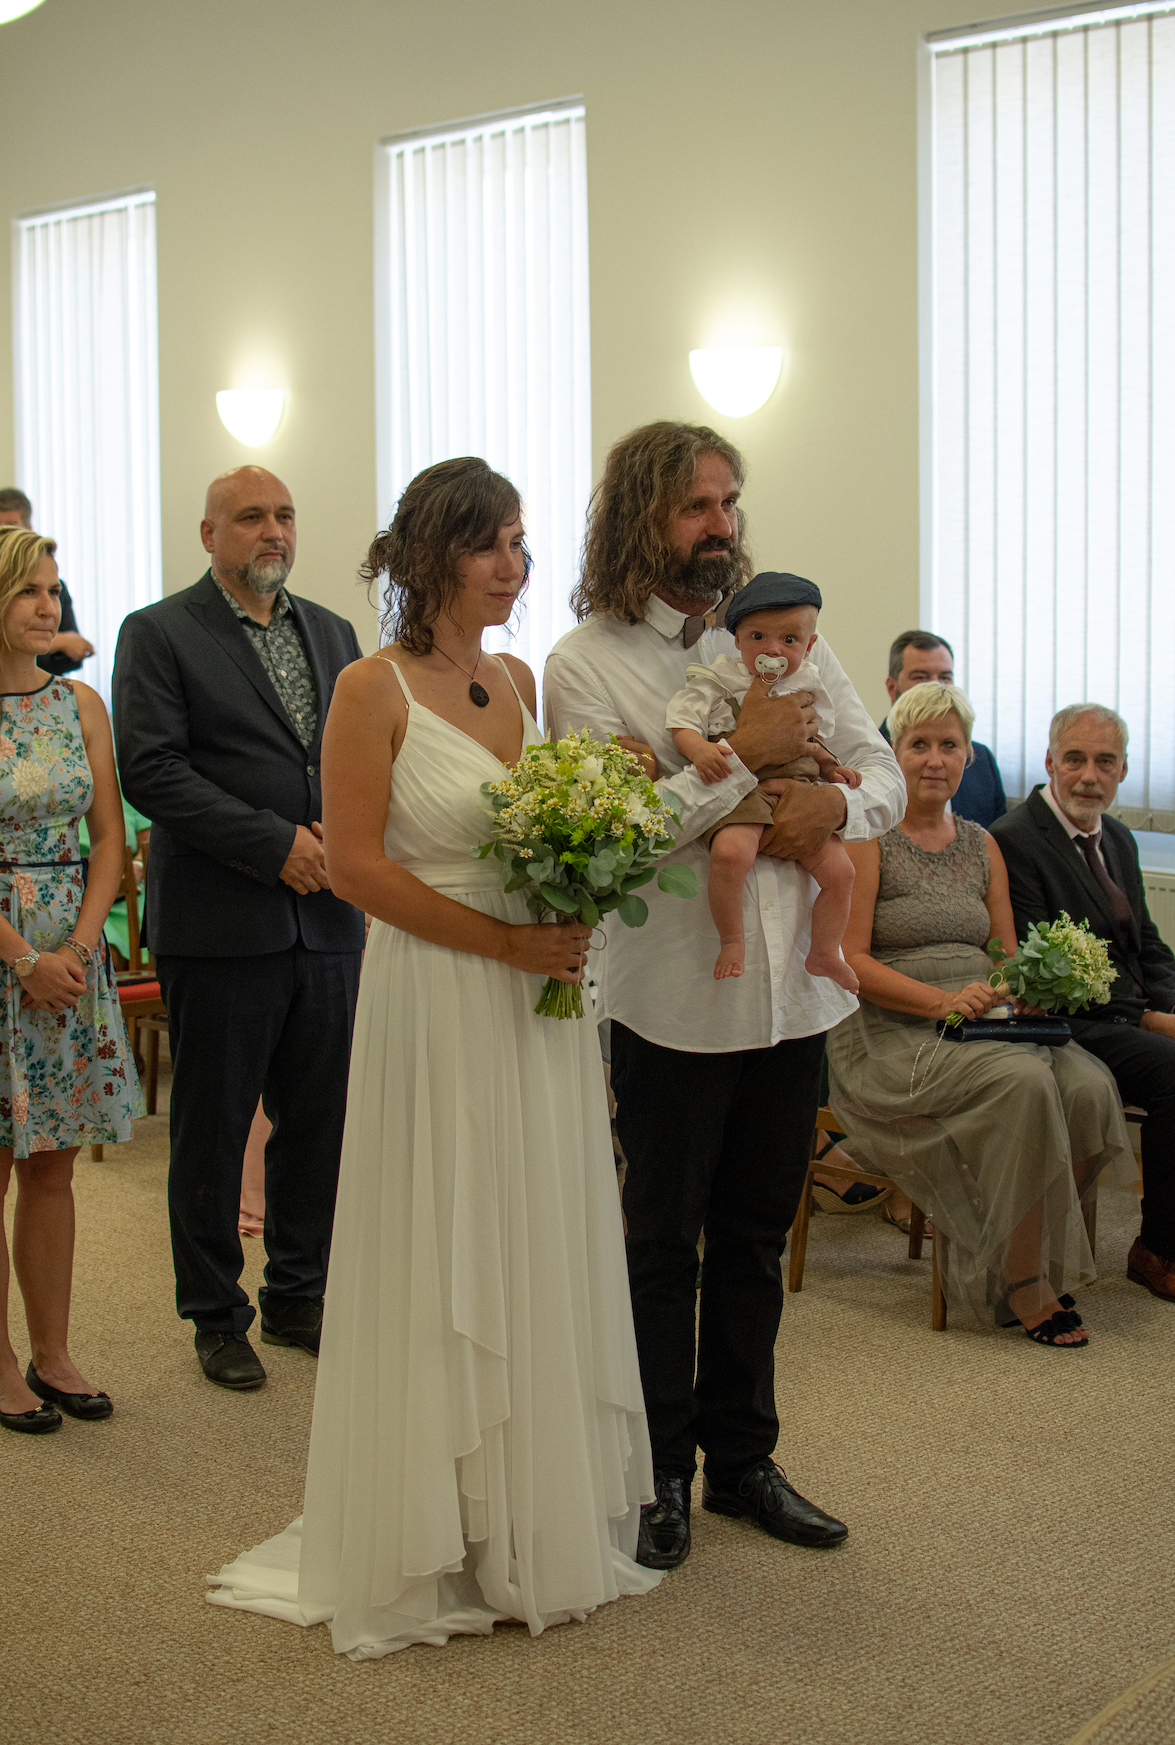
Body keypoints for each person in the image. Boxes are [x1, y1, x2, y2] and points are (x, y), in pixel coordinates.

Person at [207, 457, 660, 1654]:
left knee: (529, 1218)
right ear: (429, 554)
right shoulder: (371, 687)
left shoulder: (516, 679)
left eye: (519, 541)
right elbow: (358, 868)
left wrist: (580, 878)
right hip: (440, 983)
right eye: (490, 543)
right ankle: (433, 1521)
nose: (515, 565)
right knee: (446, 1221)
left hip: (533, 992)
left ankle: (521, 1516)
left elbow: (549, 824)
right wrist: (504, 940)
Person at [544, 421, 906, 1570]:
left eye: (729, 501)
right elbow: (605, 844)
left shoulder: (790, 637)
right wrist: (741, 756)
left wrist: (833, 809)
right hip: (669, 999)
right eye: (696, 505)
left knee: (753, 1236)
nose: (720, 525)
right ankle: (654, 1466)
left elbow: (882, 771)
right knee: (662, 1243)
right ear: (639, 516)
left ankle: (742, 1461)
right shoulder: (583, 663)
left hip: (790, 999)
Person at [112, 466, 365, 1390]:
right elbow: (153, 770)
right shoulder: (159, 631)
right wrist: (275, 845)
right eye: (252, 516)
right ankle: (216, 1314)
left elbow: (354, 755)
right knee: (214, 1129)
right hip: (222, 919)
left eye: (284, 515)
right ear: (209, 533)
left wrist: (349, 834)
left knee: (320, 1123)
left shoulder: (330, 631)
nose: (273, 531)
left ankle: (299, 1294)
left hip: (329, 915)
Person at [828, 682, 1133, 1342]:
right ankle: (1021, 1281)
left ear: (969, 755)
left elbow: (1002, 952)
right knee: (1022, 1084)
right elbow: (849, 960)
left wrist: (1017, 987)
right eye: (918, 744)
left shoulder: (981, 843)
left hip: (983, 1019)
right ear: (893, 752)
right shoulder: (867, 839)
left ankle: (1023, 1259)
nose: (935, 759)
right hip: (894, 1028)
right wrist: (940, 1000)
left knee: (1088, 1087)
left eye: (949, 745)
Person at [0, 528, 142, 1434]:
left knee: (52, 1168)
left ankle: (52, 1352)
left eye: (53, 590)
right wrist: (22, 958)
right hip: (6, 954)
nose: (48, 605)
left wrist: (80, 951)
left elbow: (110, 838)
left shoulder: (79, 702)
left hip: (70, 955)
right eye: (29, 591)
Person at [992, 704, 1175, 1303]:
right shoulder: (1014, 840)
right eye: (1075, 759)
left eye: (1105, 762)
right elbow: (1044, 978)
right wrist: (1152, 1019)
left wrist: (1171, 1006)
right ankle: (1158, 1249)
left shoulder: (1116, 836)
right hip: (1065, 1021)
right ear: (1050, 763)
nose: (1089, 776)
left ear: (1123, 771)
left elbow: (1146, 944)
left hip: (1128, 1012)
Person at [668, 571, 861, 985]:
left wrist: (831, 769)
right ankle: (732, 940)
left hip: (801, 786)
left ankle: (825, 952)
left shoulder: (809, 683)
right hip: (741, 786)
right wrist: (700, 749)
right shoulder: (719, 678)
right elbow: (681, 722)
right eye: (758, 637)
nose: (772, 650)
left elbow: (815, 740)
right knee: (730, 854)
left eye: (789, 640)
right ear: (737, 639)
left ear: (809, 646)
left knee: (842, 873)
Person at [881, 631, 1005, 828]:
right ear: (891, 688)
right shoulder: (864, 756)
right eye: (921, 678)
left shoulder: (982, 761)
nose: (935, 686)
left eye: (945, 678)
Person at [0, 489, 95, 677]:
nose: (48, 609)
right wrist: (57, 642)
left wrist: (41, 643)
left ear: (28, 528)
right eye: (27, 591)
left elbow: (74, 654)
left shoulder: (56, 586)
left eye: (10, 527)